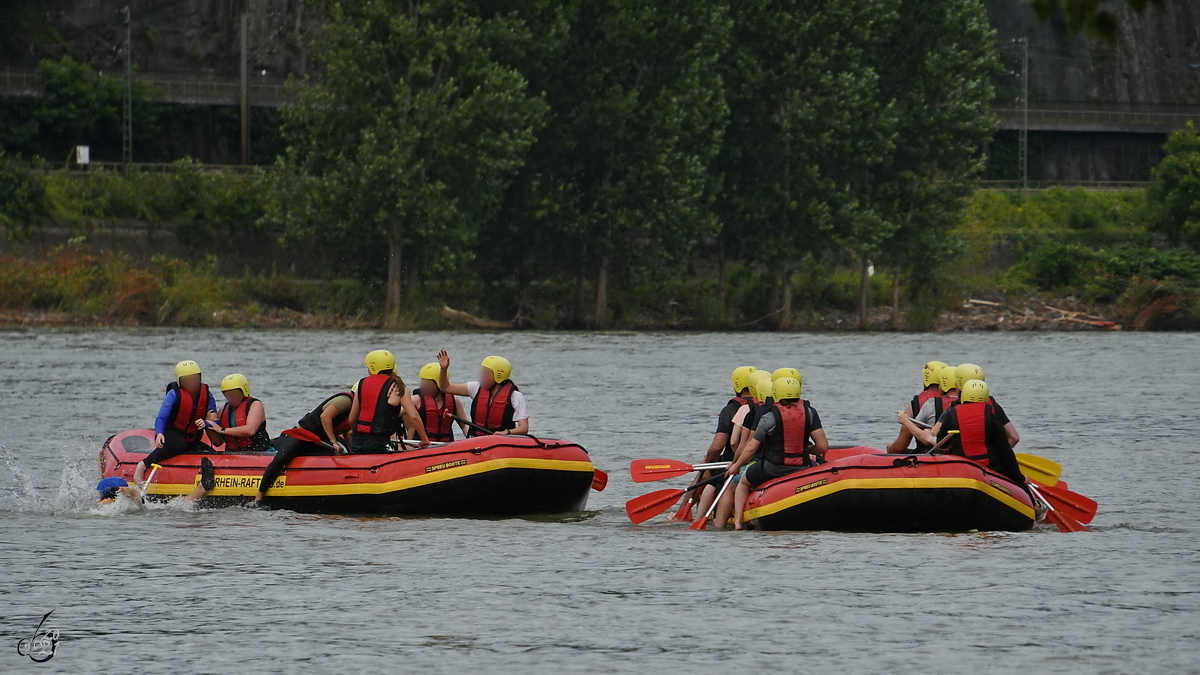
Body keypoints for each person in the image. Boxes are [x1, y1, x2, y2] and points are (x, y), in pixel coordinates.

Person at [726, 376, 829, 530]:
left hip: (772, 467)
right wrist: (805, 450)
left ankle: (738, 522)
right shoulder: (810, 413)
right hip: (803, 466)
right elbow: (822, 447)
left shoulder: (769, 416)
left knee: (743, 482)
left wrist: (736, 465)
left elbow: (751, 447)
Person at [906, 380, 1026, 486]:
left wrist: (928, 436)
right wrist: (1019, 479)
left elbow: (943, 446)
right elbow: (1004, 451)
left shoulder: (951, 413)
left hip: (960, 466)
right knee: (1018, 482)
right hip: (990, 467)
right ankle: (1035, 505)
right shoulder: (991, 416)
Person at [252, 386, 356, 504]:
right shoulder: (346, 401)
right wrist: (334, 442)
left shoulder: (356, 410)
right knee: (281, 459)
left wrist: (351, 450)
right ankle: (259, 496)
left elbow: (345, 429)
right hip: (304, 433)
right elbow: (325, 417)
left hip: (321, 438)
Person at [134, 360, 219, 486]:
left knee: (209, 453)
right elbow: (161, 417)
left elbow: (214, 420)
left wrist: (206, 422)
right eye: (187, 380)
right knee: (179, 444)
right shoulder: (174, 394)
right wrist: (160, 433)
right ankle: (143, 465)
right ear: (180, 382)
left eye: (195, 379)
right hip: (173, 433)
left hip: (193, 437)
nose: (192, 383)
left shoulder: (207, 395)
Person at [348, 350, 430, 453]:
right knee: (409, 449)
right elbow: (414, 416)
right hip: (381, 445)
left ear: (373, 367)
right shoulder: (398, 386)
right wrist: (424, 439)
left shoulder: (361, 383)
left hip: (357, 444)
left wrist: (355, 433)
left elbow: (351, 419)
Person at [436, 351, 529, 436]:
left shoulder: (515, 396)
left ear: (498, 376)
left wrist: (506, 432)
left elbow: (524, 428)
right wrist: (443, 370)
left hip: (501, 443)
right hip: (477, 442)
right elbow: (445, 388)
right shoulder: (475, 387)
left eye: (486, 373)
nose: (482, 376)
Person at [892, 364, 960, 452]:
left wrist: (906, 421)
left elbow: (900, 446)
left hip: (929, 454)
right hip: (963, 455)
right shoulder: (965, 405)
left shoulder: (930, 403)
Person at [954, 363, 1020, 448]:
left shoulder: (954, 408)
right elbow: (1014, 438)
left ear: (959, 384)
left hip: (962, 458)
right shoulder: (993, 406)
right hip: (990, 458)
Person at [206, 374, 271, 453]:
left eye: (235, 393)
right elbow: (218, 442)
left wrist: (221, 429)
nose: (232, 397)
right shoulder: (222, 410)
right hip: (232, 454)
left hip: (260, 452)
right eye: (228, 394)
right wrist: (208, 424)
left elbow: (250, 430)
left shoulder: (255, 405)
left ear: (244, 391)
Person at [412, 362, 467, 442]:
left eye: (427, 384)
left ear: (438, 384)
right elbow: (395, 412)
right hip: (421, 447)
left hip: (445, 447)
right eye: (423, 382)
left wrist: (471, 438)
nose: (422, 386)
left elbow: (464, 425)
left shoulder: (454, 400)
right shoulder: (416, 400)